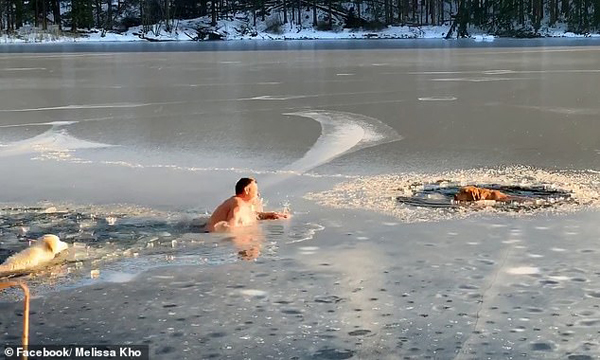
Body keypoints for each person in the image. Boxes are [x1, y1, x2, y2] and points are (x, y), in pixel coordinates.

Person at [206, 177, 289, 232]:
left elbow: (248, 214)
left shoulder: (240, 203)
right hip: (208, 234)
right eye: (256, 191)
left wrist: (270, 215)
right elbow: (230, 227)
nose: (258, 194)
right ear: (246, 190)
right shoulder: (238, 203)